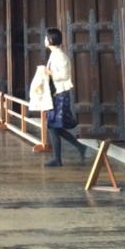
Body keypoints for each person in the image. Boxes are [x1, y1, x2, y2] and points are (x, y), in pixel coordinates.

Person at [43, 26, 87, 168]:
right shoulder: (54, 54)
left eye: (46, 38)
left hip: (60, 95)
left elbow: (65, 75)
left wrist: (50, 73)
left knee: (53, 126)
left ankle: (58, 159)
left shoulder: (60, 56)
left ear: (50, 40)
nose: (44, 40)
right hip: (55, 94)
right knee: (54, 126)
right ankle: (79, 147)